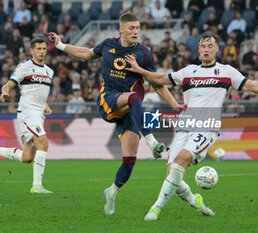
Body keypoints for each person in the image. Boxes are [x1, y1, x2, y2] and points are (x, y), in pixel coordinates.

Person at [125, 32, 258, 221]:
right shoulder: (188, 71)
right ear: (199, 49)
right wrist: (139, 70)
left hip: (207, 127)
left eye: (210, 45)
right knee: (173, 176)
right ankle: (196, 203)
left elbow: (253, 86)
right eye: (203, 46)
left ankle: (155, 208)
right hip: (186, 125)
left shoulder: (227, 71)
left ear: (217, 49)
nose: (206, 49)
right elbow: (160, 79)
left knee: (181, 161)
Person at [48, 13, 183, 215]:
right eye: (131, 28)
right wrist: (60, 45)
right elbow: (86, 54)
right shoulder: (108, 45)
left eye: (138, 28)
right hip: (109, 99)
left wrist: (174, 103)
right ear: (122, 29)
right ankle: (152, 141)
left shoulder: (144, 54)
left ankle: (111, 193)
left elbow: (157, 84)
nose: (135, 31)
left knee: (129, 162)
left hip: (131, 111)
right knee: (135, 98)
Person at [0, 38, 54, 194]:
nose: (42, 51)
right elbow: (10, 83)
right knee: (43, 143)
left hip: (39, 114)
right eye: (38, 49)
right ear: (32, 51)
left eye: (44, 48)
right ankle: (37, 187)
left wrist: (46, 105)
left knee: (27, 157)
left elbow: (40, 93)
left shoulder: (49, 71)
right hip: (27, 112)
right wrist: (5, 91)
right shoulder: (24, 67)